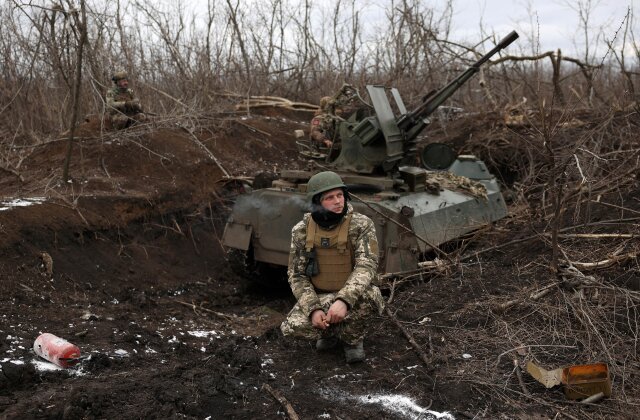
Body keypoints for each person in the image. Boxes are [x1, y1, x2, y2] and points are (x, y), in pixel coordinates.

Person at [280, 171, 384, 363]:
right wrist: (313, 309)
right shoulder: (301, 230)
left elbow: (366, 266)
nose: (338, 201)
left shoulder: (361, 224)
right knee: (291, 326)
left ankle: (352, 340)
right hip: (321, 296)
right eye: (329, 197)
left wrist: (344, 300)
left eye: (340, 195)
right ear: (317, 202)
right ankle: (329, 333)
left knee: (370, 298)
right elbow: (297, 276)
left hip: (357, 295)